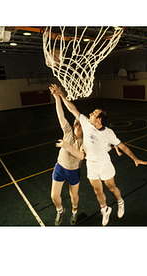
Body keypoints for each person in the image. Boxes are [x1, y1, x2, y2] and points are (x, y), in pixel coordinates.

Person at [50, 84, 147, 226]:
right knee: (98, 191)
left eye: (94, 113)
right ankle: (105, 209)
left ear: (99, 120)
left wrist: (135, 158)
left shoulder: (108, 133)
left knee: (111, 187)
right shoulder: (85, 122)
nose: (90, 113)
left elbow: (122, 145)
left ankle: (120, 201)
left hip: (104, 164)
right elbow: (72, 108)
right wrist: (61, 95)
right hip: (91, 165)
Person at [49, 85, 85, 226]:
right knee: (54, 196)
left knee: (73, 196)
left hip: (73, 171)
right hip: (60, 167)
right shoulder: (68, 131)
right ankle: (60, 210)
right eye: (76, 122)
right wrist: (57, 97)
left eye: (80, 124)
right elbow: (61, 115)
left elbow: (81, 156)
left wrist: (66, 146)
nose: (77, 123)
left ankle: (74, 212)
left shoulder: (84, 141)